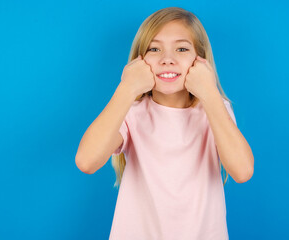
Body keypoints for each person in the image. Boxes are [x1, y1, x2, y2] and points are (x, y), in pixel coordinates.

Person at [75, 6, 254, 240]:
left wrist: (210, 93)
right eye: (154, 49)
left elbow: (242, 171)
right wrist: (127, 88)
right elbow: (86, 161)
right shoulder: (131, 112)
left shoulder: (214, 109)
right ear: (140, 60)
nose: (167, 59)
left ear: (200, 59)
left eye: (181, 48)